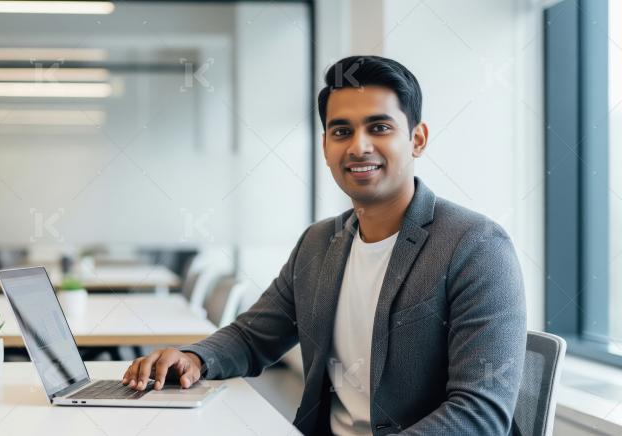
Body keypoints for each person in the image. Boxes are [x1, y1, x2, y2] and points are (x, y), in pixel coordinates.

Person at [122, 55, 526, 435]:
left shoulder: (476, 247)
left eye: (379, 128)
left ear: (417, 139)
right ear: (325, 147)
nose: (359, 146)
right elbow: (253, 337)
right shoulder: (319, 243)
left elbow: (480, 413)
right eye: (342, 131)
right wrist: (194, 358)